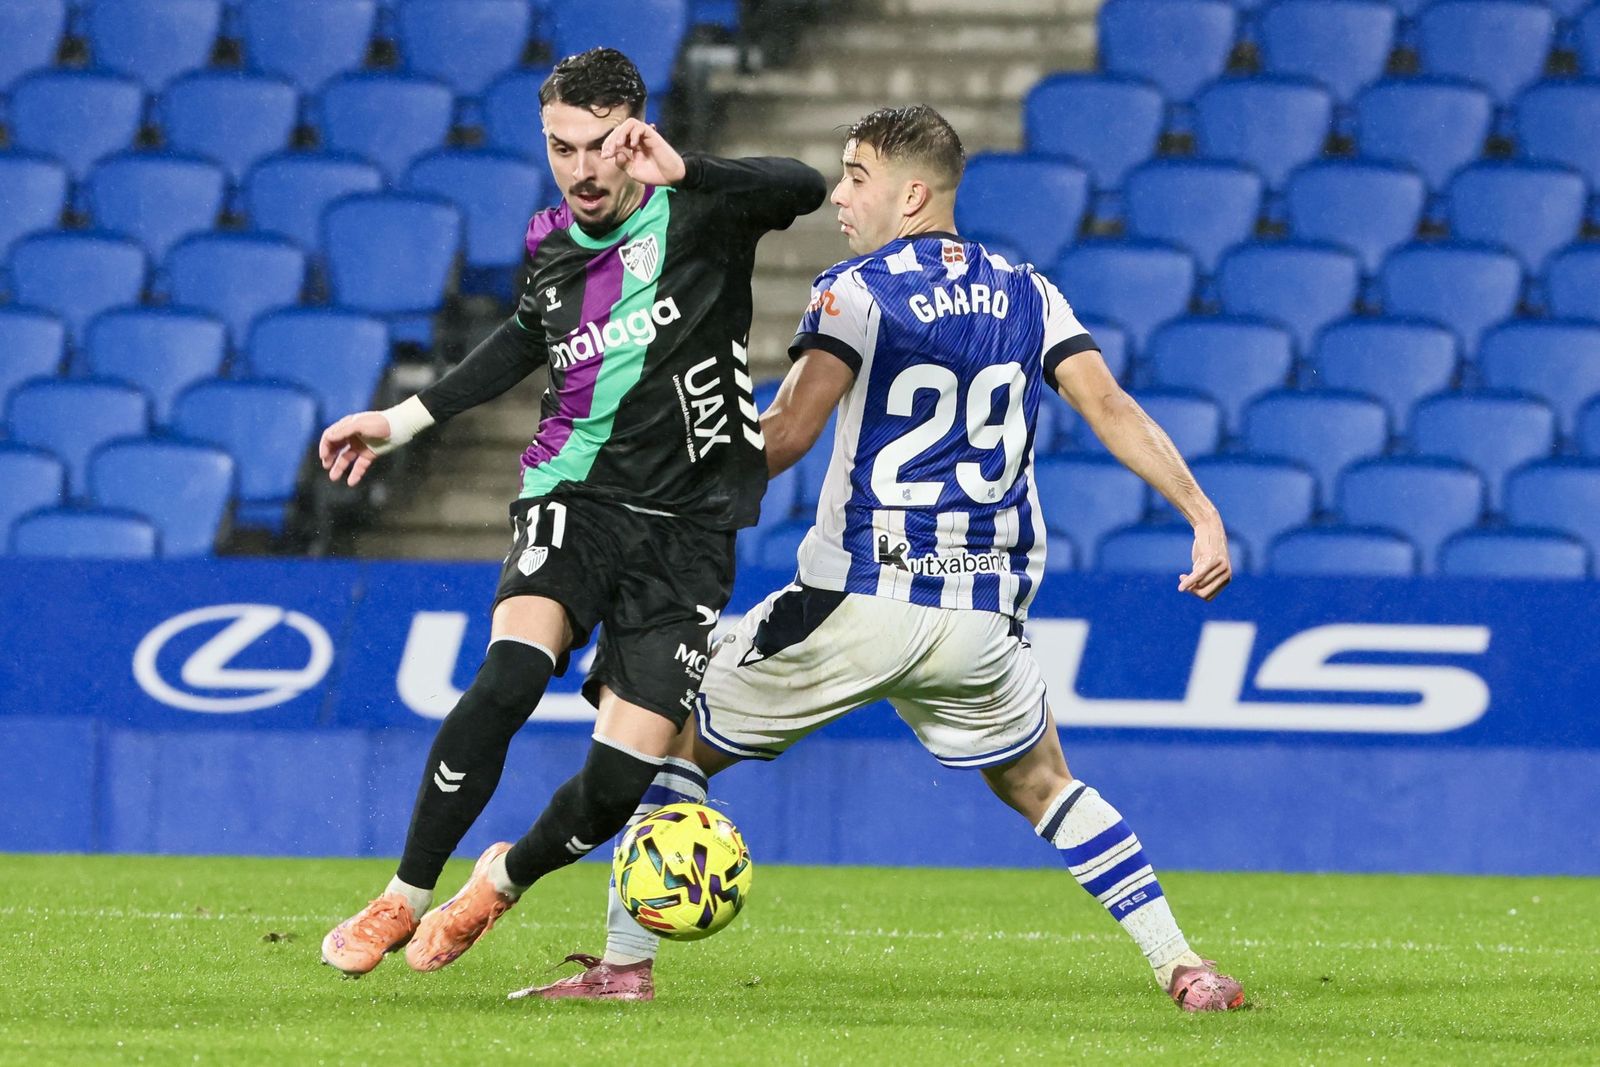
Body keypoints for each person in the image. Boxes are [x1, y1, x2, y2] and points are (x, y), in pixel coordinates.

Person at [515, 105, 1245, 1012]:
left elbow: (788, 433)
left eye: (856, 177)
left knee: (661, 732)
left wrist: (660, 464)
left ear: (912, 195)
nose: (840, 196)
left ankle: (625, 968)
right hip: (981, 618)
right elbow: (1109, 406)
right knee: (1044, 783)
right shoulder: (1030, 291)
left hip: (857, 597)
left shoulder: (855, 291)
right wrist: (1201, 513)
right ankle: (1184, 966)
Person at [317, 46, 826, 977]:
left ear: (636, 133)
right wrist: (399, 421)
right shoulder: (555, 248)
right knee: (510, 676)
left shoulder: (701, 209)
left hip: (691, 531)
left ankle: (499, 882)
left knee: (617, 784)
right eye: (561, 147)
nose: (582, 169)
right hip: (575, 493)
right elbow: (523, 338)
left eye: (601, 145)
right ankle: (405, 893)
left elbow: (805, 184)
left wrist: (688, 167)